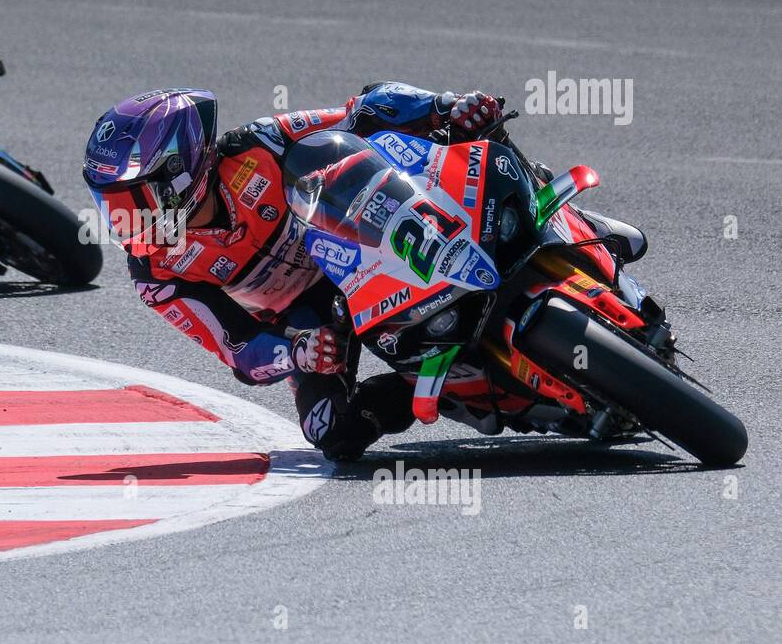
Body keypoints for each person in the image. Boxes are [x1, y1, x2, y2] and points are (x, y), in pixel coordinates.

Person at [82, 84, 645, 461]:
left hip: (365, 232)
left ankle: (557, 215)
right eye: (115, 205)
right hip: (316, 313)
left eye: (137, 198)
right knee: (330, 431)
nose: (127, 219)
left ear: (184, 169)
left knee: (465, 132)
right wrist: (296, 353)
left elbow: (364, 107)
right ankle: (428, 385)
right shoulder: (155, 272)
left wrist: (444, 109)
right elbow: (236, 348)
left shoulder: (262, 143)